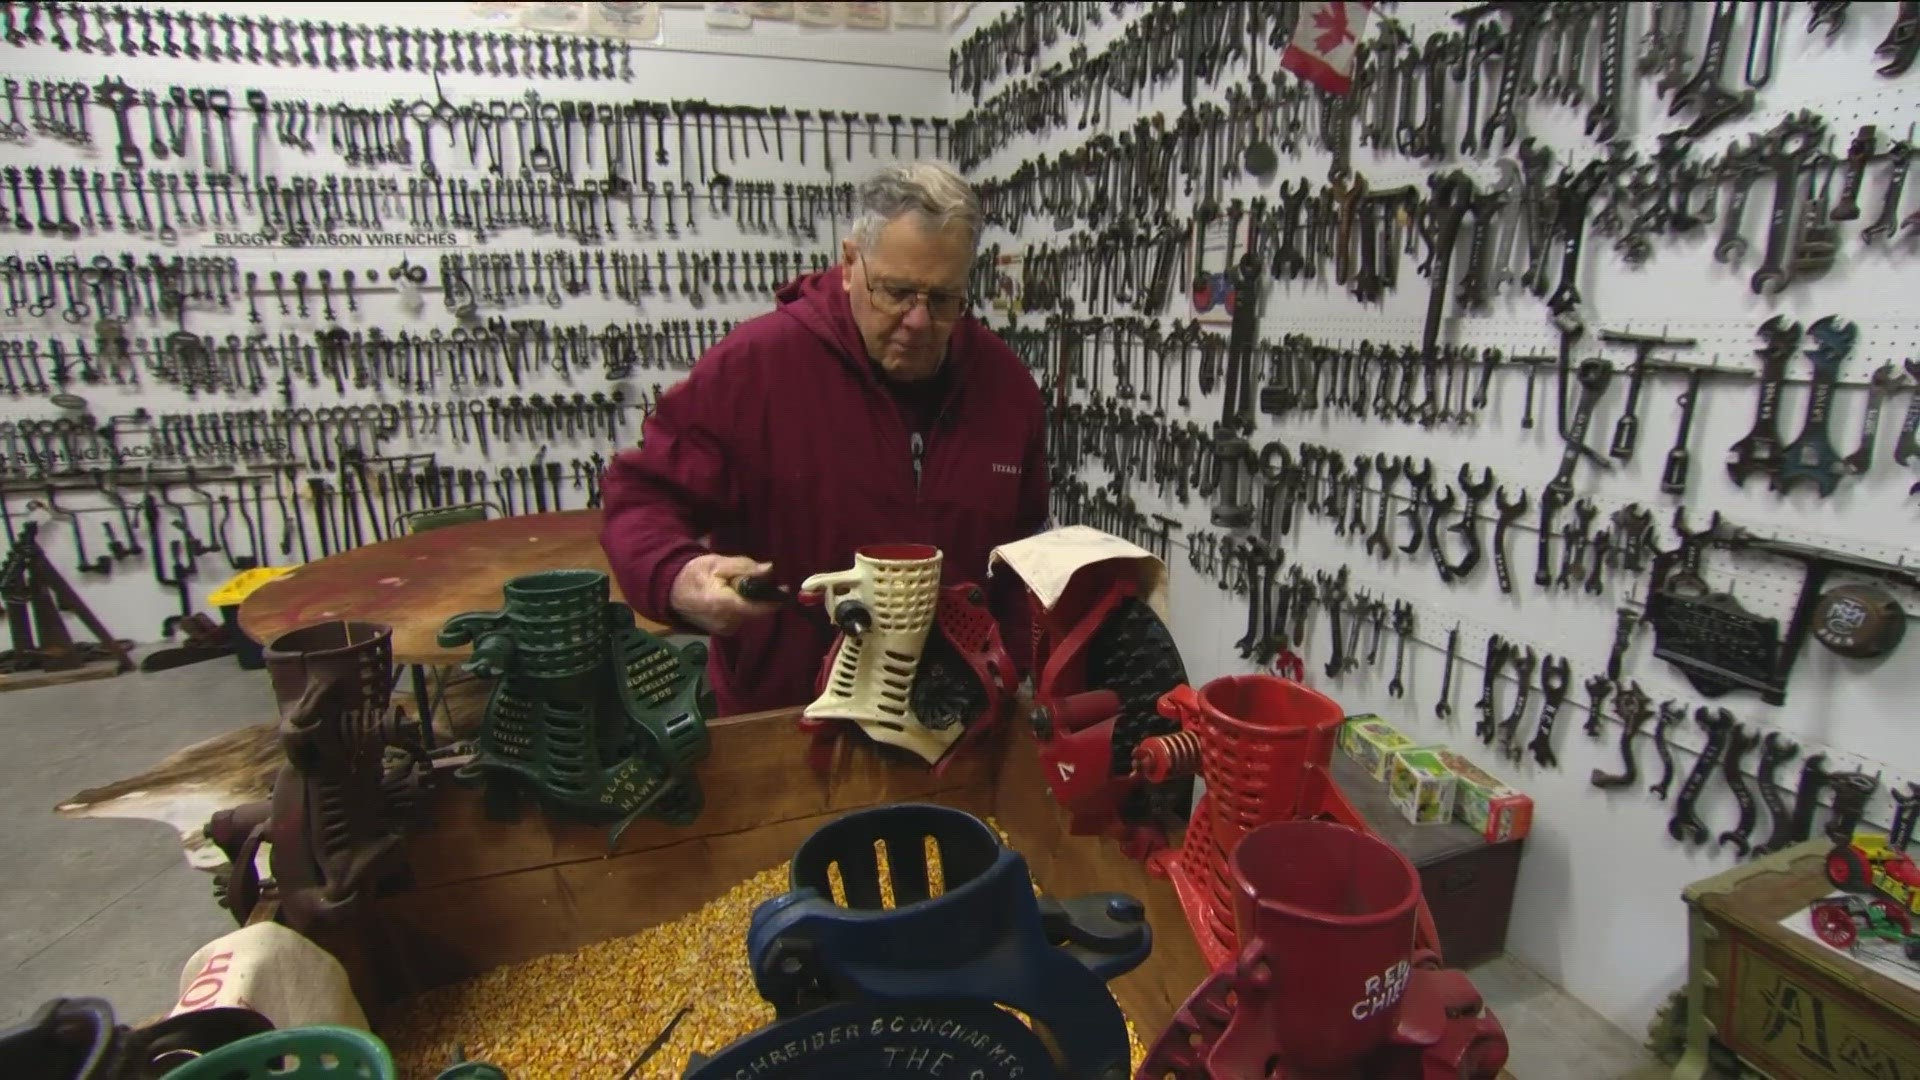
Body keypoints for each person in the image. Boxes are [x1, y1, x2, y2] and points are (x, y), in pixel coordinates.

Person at [598, 162, 1049, 717]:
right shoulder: (753, 370)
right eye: (897, 291)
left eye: (943, 299)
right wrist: (677, 575)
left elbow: (1022, 559)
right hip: (786, 718)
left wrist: (1022, 677)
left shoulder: (1007, 392)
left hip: (955, 720)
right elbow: (644, 498)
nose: (916, 320)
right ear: (850, 263)